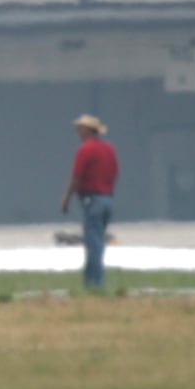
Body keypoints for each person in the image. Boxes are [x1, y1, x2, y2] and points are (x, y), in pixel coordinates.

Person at [59, 114, 120, 290]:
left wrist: (66, 199)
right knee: (97, 241)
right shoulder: (109, 149)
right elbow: (115, 173)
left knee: (93, 244)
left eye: (80, 128)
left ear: (87, 130)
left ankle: (94, 283)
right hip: (107, 199)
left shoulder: (85, 150)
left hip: (92, 200)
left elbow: (76, 177)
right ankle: (92, 281)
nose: (77, 131)